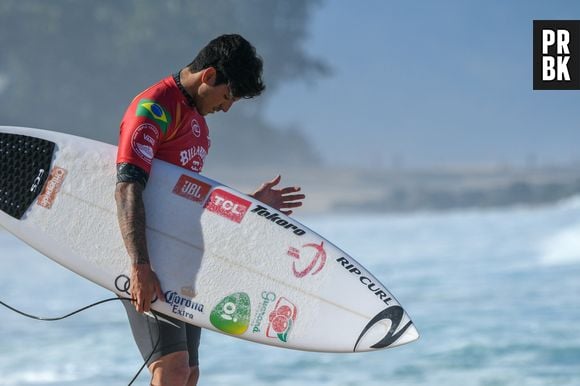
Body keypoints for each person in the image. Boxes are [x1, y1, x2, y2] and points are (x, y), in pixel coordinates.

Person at [114, 34, 305, 386]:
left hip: (180, 262)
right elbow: (127, 185)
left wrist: (250, 203)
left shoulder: (198, 126)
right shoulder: (154, 108)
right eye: (228, 95)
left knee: (189, 376)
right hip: (147, 258)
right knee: (171, 371)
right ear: (209, 76)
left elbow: (185, 200)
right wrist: (140, 265)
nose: (227, 107)